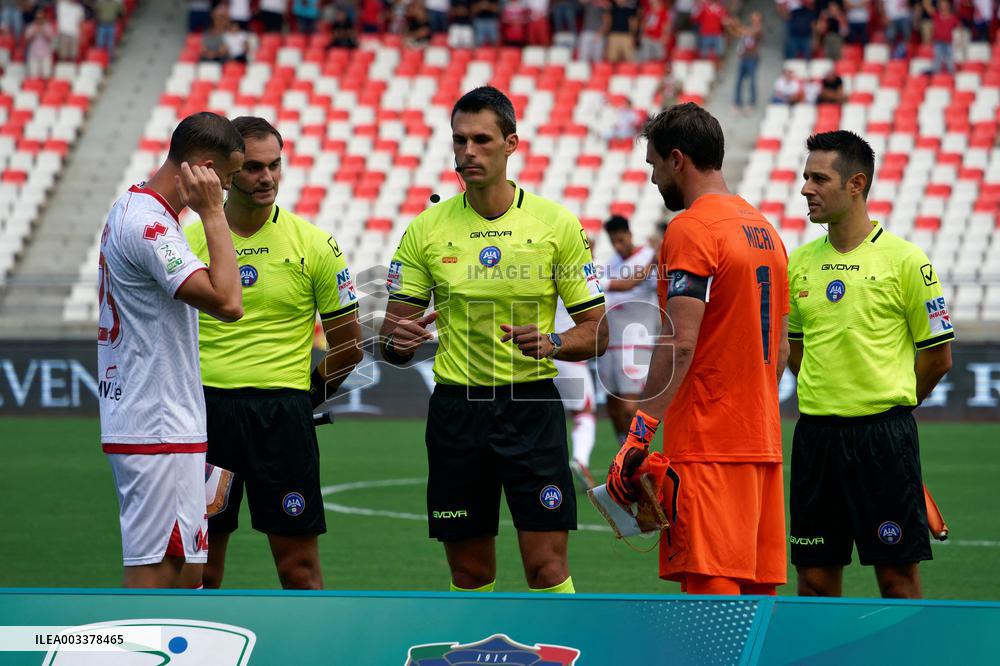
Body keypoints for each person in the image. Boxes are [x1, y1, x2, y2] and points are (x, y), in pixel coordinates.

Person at [379, 86, 608, 594]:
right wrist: (400, 338)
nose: (468, 152)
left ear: (512, 144)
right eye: (459, 141)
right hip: (457, 412)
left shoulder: (556, 225)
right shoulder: (425, 230)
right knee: (470, 572)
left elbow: (598, 334)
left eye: (481, 140)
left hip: (531, 406)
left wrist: (551, 341)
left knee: (547, 569)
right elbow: (393, 343)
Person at [606, 103, 789, 596]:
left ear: (678, 159)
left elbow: (679, 341)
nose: (653, 179)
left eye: (654, 165)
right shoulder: (765, 230)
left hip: (708, 447)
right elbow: (784, 345)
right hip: (761, 445)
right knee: (755, 608)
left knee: (711, 605)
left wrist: (637, 432)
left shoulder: (691, 228)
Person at [185, 117, 362, 591]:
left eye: (275, 166)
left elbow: (349, 346)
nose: (266, 178)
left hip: (283, 417)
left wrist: (306, 400)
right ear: (226, 172)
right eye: (253, 168)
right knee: (200, 570)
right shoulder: (189, 238)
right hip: (206, 415)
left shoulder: (315, 244)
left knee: (299, 571)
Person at [789, 131, 954, 599]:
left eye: (819, 178)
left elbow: (938, 358)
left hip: (884, 440)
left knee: (897, 581)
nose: (806, 189)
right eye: (805, 178)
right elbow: (796, 353)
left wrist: (892, 404)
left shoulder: (907, 261)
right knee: (815, 582)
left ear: (856, 184)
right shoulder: (797, 264)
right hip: (816, 440)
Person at [99, 112, 245, 588]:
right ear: (202, 168)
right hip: (155, 424)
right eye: (224, 181)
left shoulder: (149, 214)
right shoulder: (148, 225)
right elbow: (228, 301)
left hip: (167, 423)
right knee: (158, 572)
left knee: (187, 573)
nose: (225, 193)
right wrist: (214, 213)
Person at [596, 215, 658, 451]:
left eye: (621, 239)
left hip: (636, 341)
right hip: (611, 341)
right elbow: (624, 285)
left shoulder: (647, 257)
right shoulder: (612, 262)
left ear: (630, 234)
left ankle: (639, 455)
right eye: (614, 241)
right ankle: (626, 452)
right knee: (612, 405)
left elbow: (654, 287)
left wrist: (655, 260)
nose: (618, 245)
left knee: (630, 406)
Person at [553, 300, 599, 490]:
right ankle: (580, 459)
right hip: (565, 351)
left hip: (533, 350)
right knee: (584, 412)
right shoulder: (574, 277)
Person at [732, 12, 762, 113]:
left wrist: (737, 24)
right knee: (739, 81)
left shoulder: (758, 29)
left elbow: (749, 33)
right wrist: (733, 26)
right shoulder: (748, 29)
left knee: (752, 82)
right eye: (753, 19)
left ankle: (752, 103)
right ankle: (737, 103)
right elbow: (737, 33)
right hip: (744, 58)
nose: (754, 21)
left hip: (752, 59)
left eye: (756, 19)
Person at [925, 0, 959, 73]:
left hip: (949, 43)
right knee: (937, 62)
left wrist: (958, 41)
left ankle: (951, 80)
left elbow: (959, 29)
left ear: (948, 6)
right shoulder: (936, 15)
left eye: (945, 4)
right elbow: (927, 7)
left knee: (950, 63)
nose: (943, 6)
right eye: (942, 4)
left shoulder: (953, 17)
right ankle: (935, 80)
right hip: (938, 43)